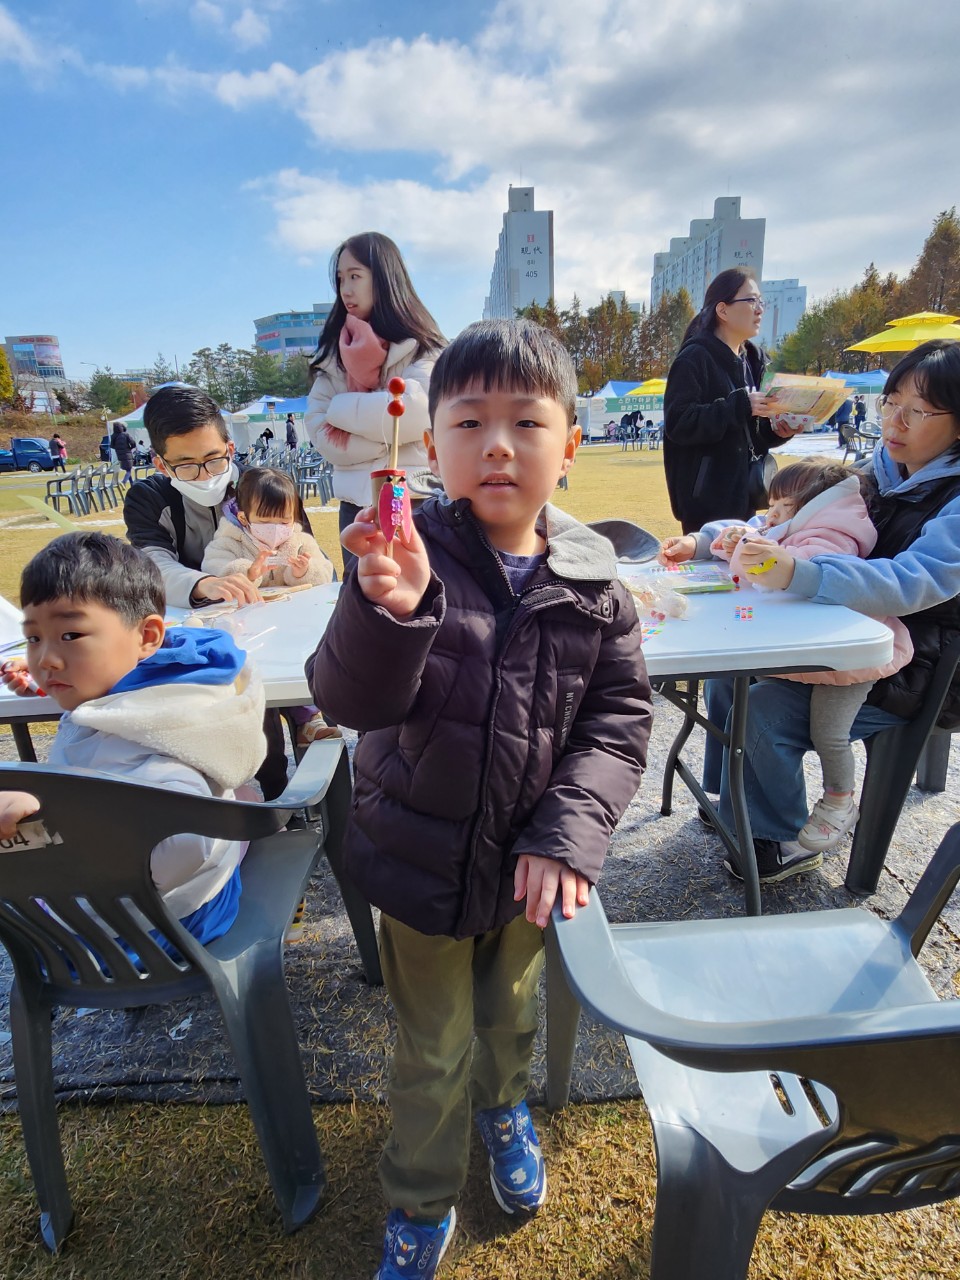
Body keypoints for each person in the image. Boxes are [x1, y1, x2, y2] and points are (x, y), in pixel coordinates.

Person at [308, 318, 653, 1279]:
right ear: (432, 440)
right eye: (468, 422)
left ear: (571, 446)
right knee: (431, 1049)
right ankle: (418, 1196)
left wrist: (568, 832)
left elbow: (618, 723)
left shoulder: (596, 585)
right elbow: (350, 700)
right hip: (418, 870)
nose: (496, 443)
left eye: (525, 422)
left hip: (528, 872)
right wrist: (396, 609)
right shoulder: (397, 552)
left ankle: (505, 1112)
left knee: (508, 1013)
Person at [704, 340, 960, 883]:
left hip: (912, 666)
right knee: (728, 679)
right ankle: (736, 806)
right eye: (890, 402)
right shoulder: (878, 473)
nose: (895, 421)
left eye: (917, 410)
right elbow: (788, 521)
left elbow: (915, 582)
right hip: (846, 640)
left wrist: (802, 573)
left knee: (766, 711)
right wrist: (714, 542)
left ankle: (778, 838)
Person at [0, 533, 266, 952]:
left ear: (146, 637)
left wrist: (45, 819)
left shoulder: (156, 741)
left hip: (155, 925)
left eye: (70, 636)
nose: (46, 659)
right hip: (160, 896)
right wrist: (46, 682)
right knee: (246, 796)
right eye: (35, 639)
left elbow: (184, 845)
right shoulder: (166, 682)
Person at [659, 458, 912, 858]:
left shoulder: (833, 534)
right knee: (727, 681)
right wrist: (708, 542)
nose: (771, 515)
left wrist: (746, 547)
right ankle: (733, 798)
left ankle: (835, 803)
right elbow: (756, 536)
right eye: (771, 505)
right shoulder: (794, 525)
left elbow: (787, 566)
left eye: (783, 507)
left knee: (824, 730)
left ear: (815, 506)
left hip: (848, 666)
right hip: (807, 656)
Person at [124, 385, 290, 800]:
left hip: (271, 617)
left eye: (214, 459)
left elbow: (302, 545)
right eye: (186, 465)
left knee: (282, 689)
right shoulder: (149, 498)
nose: (204, 475)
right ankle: (248, 797)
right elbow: (151, 566)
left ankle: (294, 786)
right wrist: (203, 583)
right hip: (202, 626)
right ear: (160, 463)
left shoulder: (259, 485)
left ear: (230, 447)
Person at [304, 231, 445, 575]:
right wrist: (386, 432)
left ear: (383, 279)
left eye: (355, 276)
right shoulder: (333, 356)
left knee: (424, 606)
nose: (345, 290)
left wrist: (341, 409)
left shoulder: (424, 347)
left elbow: (417, 414)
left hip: (414, 499)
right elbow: (322, 437)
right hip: (355, 508)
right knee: (365, 611)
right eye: (340, 279)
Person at [663, 269, 804, 533]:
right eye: (751, 301)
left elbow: (752, 433)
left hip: (747, 495)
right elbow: (679, 423)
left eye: (761, 301)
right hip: (705, 504)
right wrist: (740, 405)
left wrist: (778, 431)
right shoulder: (694, 358)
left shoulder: (755, 360)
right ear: (723, 310)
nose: (760, 309)